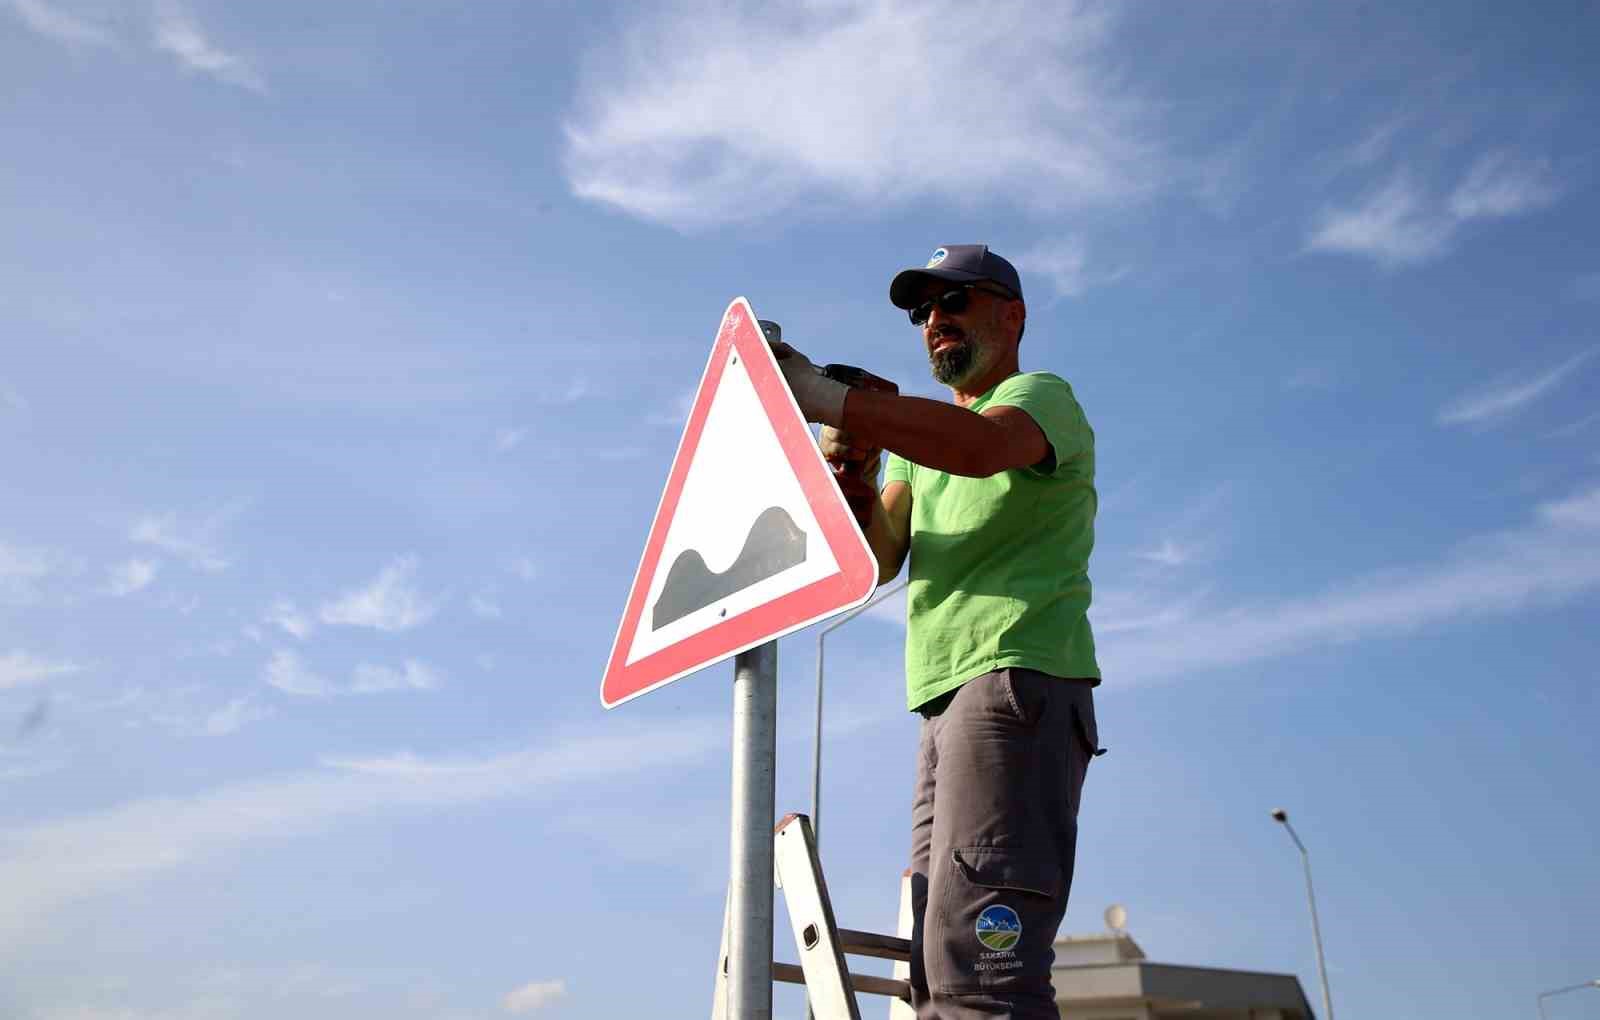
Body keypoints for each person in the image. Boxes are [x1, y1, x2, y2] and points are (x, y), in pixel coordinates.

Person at [771, 244, 1101, 1020]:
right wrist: (851, 467)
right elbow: (877, 558)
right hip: (943, 704)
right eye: (923, 313)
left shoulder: (1039, 397)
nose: (934, 323)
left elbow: (985, 450)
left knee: (983, 975)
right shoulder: (919, 454)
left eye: (955, 302)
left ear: (1011, 315)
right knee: (936, 969)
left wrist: (823, 396)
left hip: (1013, 683)